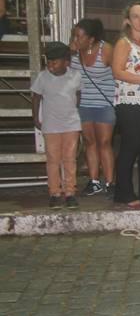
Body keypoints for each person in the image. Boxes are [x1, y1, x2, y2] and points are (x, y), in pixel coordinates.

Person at [111, 1, 140, 209]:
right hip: (129, 101)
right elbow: (117, 71)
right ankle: (124, 192)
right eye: (136, 16)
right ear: (128, 21)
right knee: (130, 146)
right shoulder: (124, 43)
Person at [31, 42, 82, 209]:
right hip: (51, 125)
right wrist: (36, 118)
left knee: (70, 159)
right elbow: (36, 97)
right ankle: (54, 192)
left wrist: (73, 111)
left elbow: (78, 94)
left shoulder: (75, 76)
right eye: (49, 61)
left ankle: (70, 192)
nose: (50, 64)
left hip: (71, 125)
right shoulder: (43, 77)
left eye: (55, 61)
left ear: (66, 62)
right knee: (53, 160)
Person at [69, 18, 115, 196]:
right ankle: (94, 181)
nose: (75, 39)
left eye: (79, 36)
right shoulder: (73, 53)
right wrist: (69, 52)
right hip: (84, 104)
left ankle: (110, 182)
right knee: (89, 142)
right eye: (74, 35)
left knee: (105, 142)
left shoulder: (106, 50)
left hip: (104, 104)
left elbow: (119, 72)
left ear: (91, 39)